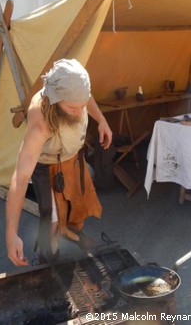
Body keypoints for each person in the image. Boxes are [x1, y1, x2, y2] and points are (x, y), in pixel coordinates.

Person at [6, 58, 112, 266]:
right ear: (55, 98)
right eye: (73, 108)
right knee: (52, 220)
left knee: (77, 208)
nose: (80, 111)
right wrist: (11, 234)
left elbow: (86, 99)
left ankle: (71, 232)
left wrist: (102, 120)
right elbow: (20, 179)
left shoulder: (76, 92)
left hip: (71, 160)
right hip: (45, 165)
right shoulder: (41, 124)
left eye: (82, 106)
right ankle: (47, 262)